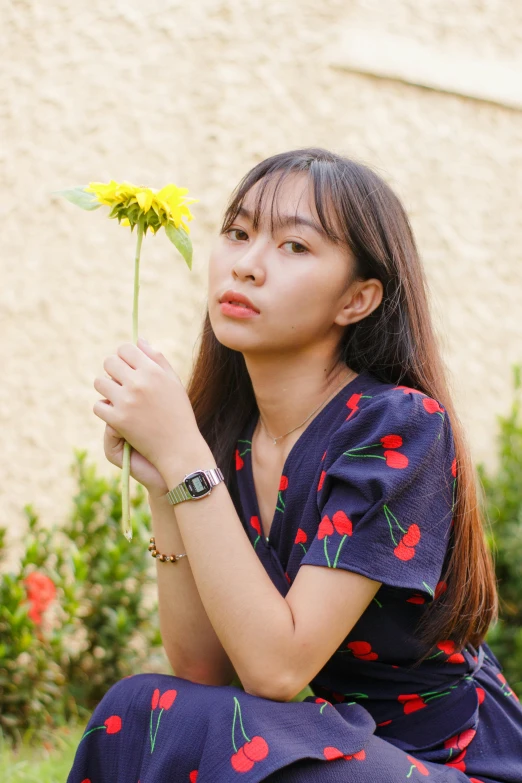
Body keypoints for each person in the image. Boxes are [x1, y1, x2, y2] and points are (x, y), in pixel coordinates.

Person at [67, 148, 522, 783]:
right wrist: (167, 484)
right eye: (238, 232)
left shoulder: (400, 426)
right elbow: (202, 672)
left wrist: (185, 459)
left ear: (357, 300)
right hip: (324, 743)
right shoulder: (227, 435)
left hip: (448, 767)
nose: (247, 266)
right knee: (139, 706)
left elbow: (277, 672)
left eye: (295, 247)